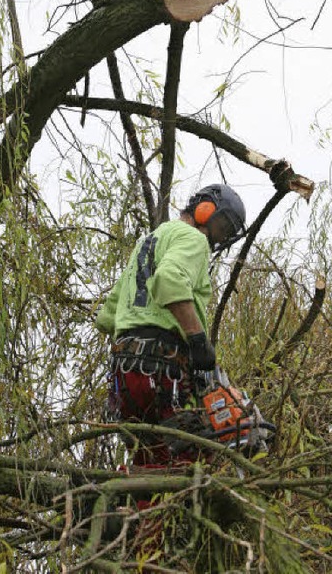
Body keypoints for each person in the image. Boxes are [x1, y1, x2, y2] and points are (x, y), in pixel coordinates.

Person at [95, 183, 246, 466]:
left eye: (228, 232)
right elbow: (169, 281)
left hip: (123, 372)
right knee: (188, 459)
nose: (220, 236)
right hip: (162, 371)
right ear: (205, 208)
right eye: (222, 225)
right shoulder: (193, 239)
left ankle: (128, 509)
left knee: (148, 459)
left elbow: (107, 317)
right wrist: (198, 341)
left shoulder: (148, 241)